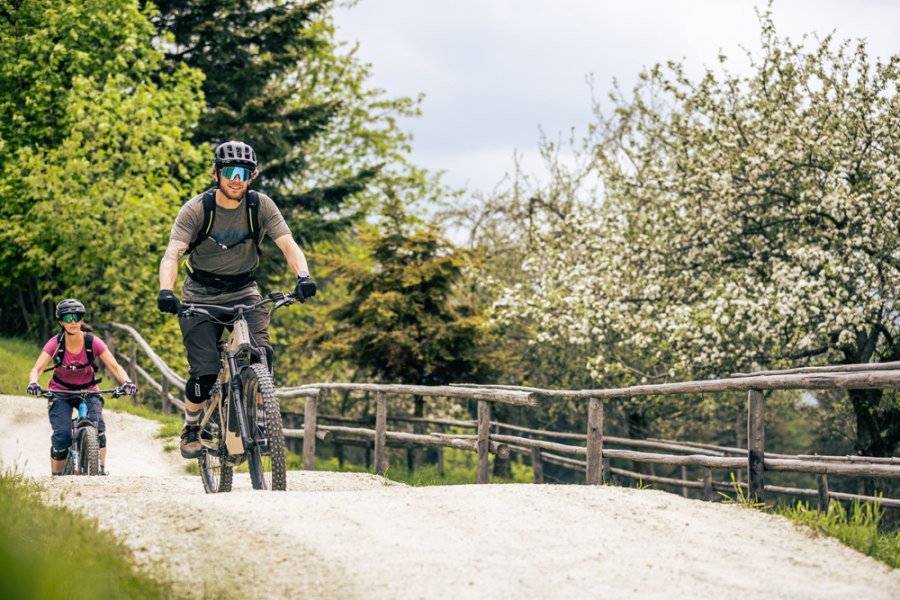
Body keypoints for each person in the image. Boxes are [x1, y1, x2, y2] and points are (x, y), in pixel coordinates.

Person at [157, 140, 317, 459]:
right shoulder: (197, 209)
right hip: (199, 297)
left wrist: (303, 276)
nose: (236, 179)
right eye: (229, 171)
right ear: (215, 174)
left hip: (244, 293)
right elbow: (171, 255)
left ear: (252, 176)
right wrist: (166, 290)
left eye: (243, 173)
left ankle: (258, 422)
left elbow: (288, 244)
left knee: (262, 354)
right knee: (203, 371)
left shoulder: (261, 207)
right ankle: (192, 426)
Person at [26, 298, 137, 475]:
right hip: (60, 392)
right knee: (62, 436)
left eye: (76, 317)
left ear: (81, 319)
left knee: (98, 427)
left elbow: (115, 367)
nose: (72, 321)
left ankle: (99, 470)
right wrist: (33, 382)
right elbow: (37, 368)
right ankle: (56, 477)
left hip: (88, 390)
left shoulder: (92, 342)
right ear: (61, 321)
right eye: (68, 317)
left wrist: (127, 382)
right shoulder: (56, 343)